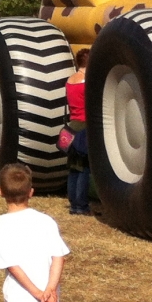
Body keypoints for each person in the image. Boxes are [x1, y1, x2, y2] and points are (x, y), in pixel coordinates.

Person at [0, 162, 68, 302]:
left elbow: (13, 266)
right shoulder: (46, 221)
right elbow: (59, 257)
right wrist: (50, 289)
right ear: (31, 192)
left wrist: (38, 293)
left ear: (0, 191)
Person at [64, 49, 91, 215]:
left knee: (73, 167)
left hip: (72, 125)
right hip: (84, 124)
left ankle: (73, 202)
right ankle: (80, 205)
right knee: (84, 168)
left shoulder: (70, 80)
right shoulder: (86, 82)